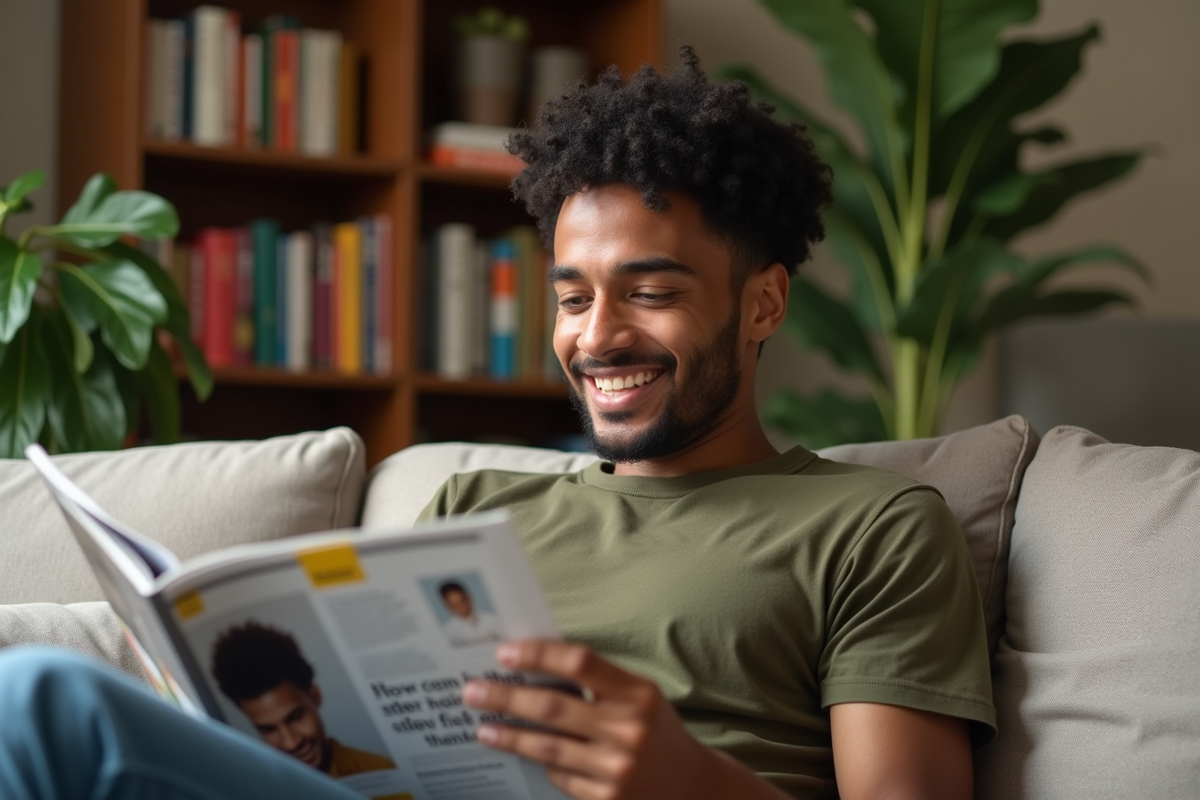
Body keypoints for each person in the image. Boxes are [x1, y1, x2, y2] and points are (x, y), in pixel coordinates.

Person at [0, 48, 992, 800]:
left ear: (764, 303)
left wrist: (688, 777)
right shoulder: (476, 505)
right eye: (571, 297)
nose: (597, 336)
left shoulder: (874, 525)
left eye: (649, 291)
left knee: (42, 703)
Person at [210, 621, 396, 778]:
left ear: (316, 696)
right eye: (268, 730)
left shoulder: (384, 770)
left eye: (296, 717)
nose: (291, 742)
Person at [437, 580, 503, 647]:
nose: (461, 607)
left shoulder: (493, 619)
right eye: (455, 605)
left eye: (462, 601)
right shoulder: (449, 631)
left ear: (469, 598)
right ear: (448, 606)